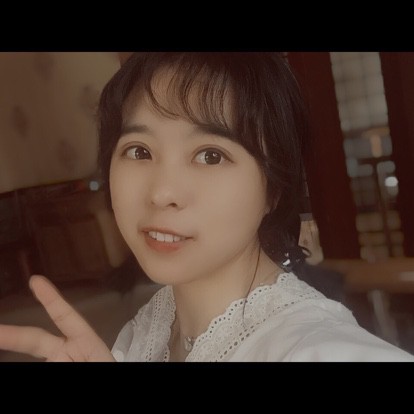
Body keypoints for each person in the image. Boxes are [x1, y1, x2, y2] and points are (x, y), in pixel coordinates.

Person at [0, 52, 413, 362]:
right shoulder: (149, 328)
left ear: (273, 189)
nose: (161, 193)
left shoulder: (317, 349)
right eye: (139, 150)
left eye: (210, 155)